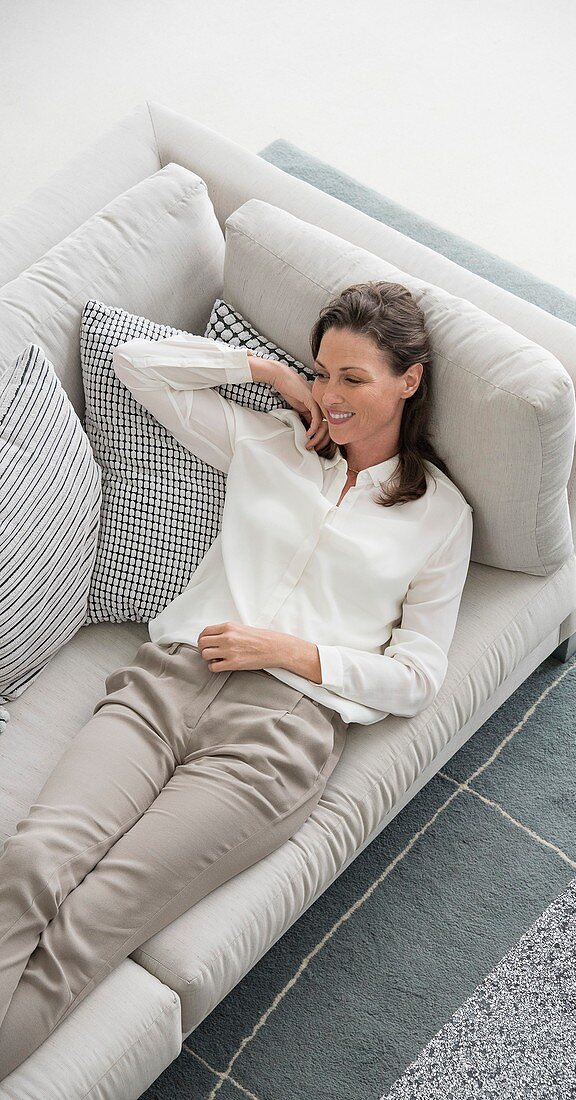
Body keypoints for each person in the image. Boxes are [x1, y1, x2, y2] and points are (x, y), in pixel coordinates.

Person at [0, 280, 473, 1079]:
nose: (332, 394)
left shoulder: (441, 516)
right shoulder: (270, 442)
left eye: (353, 379)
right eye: (323, 372)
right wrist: (271, 376)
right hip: (163, 687)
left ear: (410, 379)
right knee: (33, 862)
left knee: (94, 920)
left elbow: (418, 676)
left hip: (275, 741)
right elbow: (134, 365)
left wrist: (291, 652)